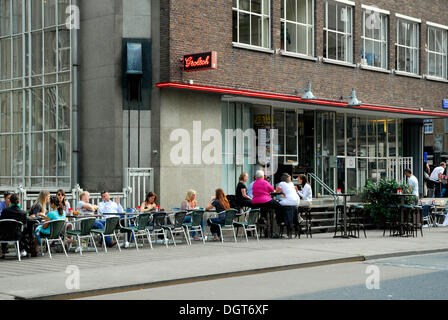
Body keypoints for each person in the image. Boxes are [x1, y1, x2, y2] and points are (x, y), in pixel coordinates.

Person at [0, 193, 27, 259]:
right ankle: (22, 249)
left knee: (4, 229)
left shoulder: (5, 211)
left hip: (4, 235)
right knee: (25, 230)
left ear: (10, 201)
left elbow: (2, 221)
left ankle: (3, 252)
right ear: (19, 201)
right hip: (17, 235)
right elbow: (24, 223)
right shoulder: (22, 212)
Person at [276, 173, 300, 238]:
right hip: (297, 201)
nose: (290, 179)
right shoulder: (291, 184)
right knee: (285, 205)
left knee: (277, 205)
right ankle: (296, 225)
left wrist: (281, 192)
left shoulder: (281, 183)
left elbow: (277, 191)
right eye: (289, 177)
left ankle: (281, 220)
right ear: (286, 178)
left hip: (289, 201)